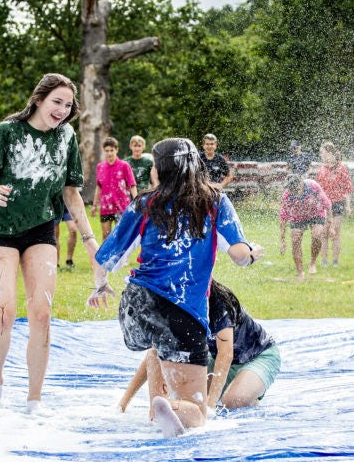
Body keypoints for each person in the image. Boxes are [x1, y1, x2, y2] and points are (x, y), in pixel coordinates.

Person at [88, 137, 263, 437]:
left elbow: (106, 259)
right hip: (183, 314)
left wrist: (100, 287)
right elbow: (238, 255)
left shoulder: (144, 203)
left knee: (160, 345)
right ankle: (174, 407)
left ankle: (157, 412)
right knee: (197, 412)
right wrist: (251, 254)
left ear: (159, 170)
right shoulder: (215, 202)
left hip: (136, 308)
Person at [0, 73, 108, 413]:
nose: (61, 110)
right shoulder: (7, 132)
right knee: (4, 310)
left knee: (41, 312)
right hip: (0, 228)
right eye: (55, 102)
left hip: (42, 229)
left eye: (67, 105)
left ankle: (34, 399)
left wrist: (90, 241)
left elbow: (71, 194)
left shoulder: (66, 137)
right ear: (39, 99)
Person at [120, 279, 280, 414]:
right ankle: (159, 411)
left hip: (260, 356)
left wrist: (209, 408)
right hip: (216, 358)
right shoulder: (180, 306)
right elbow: (154, 354)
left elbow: (226, 355)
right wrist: (124, 403)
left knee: (232, 401)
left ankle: (249, 395)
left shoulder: (218, 304)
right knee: (193, 399)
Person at [279, 173, 331, 280]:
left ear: (301, 183)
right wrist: (283, 240)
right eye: (290, 189)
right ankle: (300, 272)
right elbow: (283, 218)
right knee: (295, 238)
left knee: (317, 235)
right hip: (298, 216)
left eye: (294, 188)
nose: (292, 191)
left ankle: (312, 262)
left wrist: (331, 226)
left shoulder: (313, 186)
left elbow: (327, 205)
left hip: (316, 213)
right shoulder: (287, 194)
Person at [91, 136, 136, 241]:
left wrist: (136, 200)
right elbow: (98, 187)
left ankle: (121, 258)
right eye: (107, 151)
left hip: (121, 207)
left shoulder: (124, 165)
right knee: (106, 236)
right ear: (104, 151)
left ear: (117, 150)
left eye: (112, 150)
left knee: (120, 237)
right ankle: (106, 258)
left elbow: (132, 185)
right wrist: (94, 205)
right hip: (105, 207)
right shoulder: (100, 167)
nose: (109, 153)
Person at [316, 141, 352, 267]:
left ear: (330, 153)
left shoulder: (342, 168)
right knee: (324, 233)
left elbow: (347, 188)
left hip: (337, 204)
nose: (321, 155)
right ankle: (324, 261)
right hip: (324, 205)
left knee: (335, 233)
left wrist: (348, 205)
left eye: (322, 153)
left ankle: (335, 261)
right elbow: (318, 190)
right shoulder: (321, 169)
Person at [54, 203, 79, 270]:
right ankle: (56, 263)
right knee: (55, 234)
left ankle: (69, 260)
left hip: (67, 203)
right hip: (54, 203)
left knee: (73, 230)